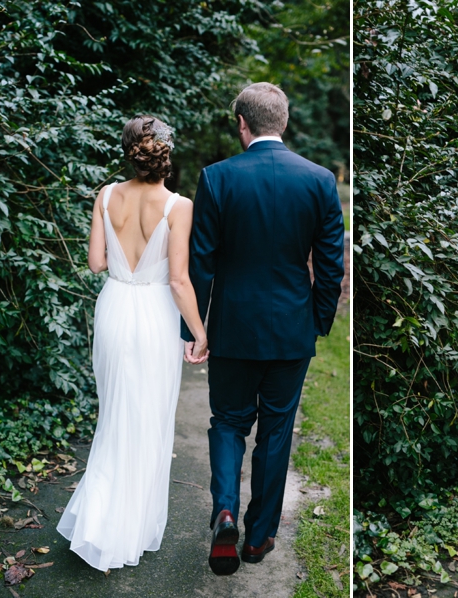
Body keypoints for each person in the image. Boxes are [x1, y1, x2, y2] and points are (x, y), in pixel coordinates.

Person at [181, 82, 345, 576]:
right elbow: (332, 266)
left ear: (242, 124)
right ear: (285, 122)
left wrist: (195, 330)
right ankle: (260, 537)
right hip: (292, 330)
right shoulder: (319, 180)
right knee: (276, 431)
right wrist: (317, 322)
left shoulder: (217, 178)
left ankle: (225, 510)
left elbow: (200, 263)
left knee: (228, 422)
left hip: (233, 327)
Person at [57, 116, 209, 571]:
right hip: (154, 316)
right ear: (165, 152)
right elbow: (179, 281)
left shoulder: (106, 194)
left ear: (129, 150)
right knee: (146, 420)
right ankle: (128, 527)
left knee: (115, 416)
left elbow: (96, 262)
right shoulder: (178, 205)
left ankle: (101, 522)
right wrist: (200, 332)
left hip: (114, 308)